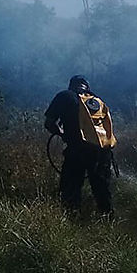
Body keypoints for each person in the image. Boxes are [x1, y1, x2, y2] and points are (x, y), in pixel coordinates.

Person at [44, 75, 117, 216]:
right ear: (87, 86)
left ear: (71, 86)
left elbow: (49, 123)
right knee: (102, 190)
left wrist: (63, 134)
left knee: (70, 188)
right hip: (103, 152)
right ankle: (108, 221)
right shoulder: (97, 101)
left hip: (77, 151)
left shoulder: (65, 96)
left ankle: (71, 221)